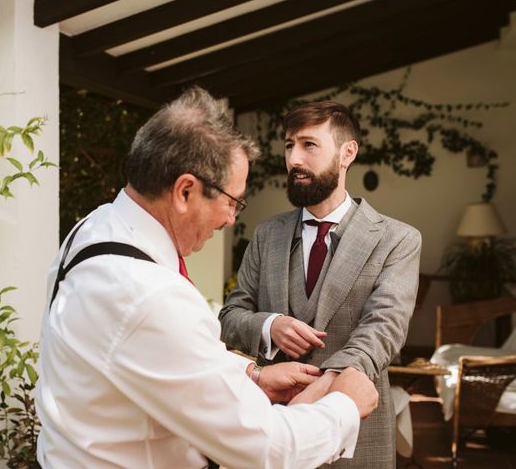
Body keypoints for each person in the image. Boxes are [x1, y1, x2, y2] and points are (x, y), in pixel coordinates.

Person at [35, 88, 378, 469]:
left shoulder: (94, 229)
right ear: (185, 191)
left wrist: (251, 373)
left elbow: (161, 354)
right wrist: (345, 405)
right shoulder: (148, 295)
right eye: (232, 201)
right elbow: (270, 448)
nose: (231, 219)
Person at [219, 101, 421, 468]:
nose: (294, 158)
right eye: (288, 145)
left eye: (309, 145)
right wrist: (269, 325)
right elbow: (230, 315)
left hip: (358, 431)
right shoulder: (266, 235)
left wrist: (324, 387)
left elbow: (384, 328)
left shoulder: (397, 239)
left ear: (347, 153)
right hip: (273, 431)